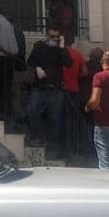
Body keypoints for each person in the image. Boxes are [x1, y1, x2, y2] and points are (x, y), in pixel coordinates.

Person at [26, 25, 73, 156]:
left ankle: (53, 145)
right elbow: (30, 61)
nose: (55, 39)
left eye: (57, 37)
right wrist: (37, 68)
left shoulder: (60, 49)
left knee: (55, 118)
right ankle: (38, 137)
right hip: (40, 86)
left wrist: (62, 47)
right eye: (53, 36)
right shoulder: (39, 46)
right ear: (47, 36)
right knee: (32, 112)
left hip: (55, 88)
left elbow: (69, 63)